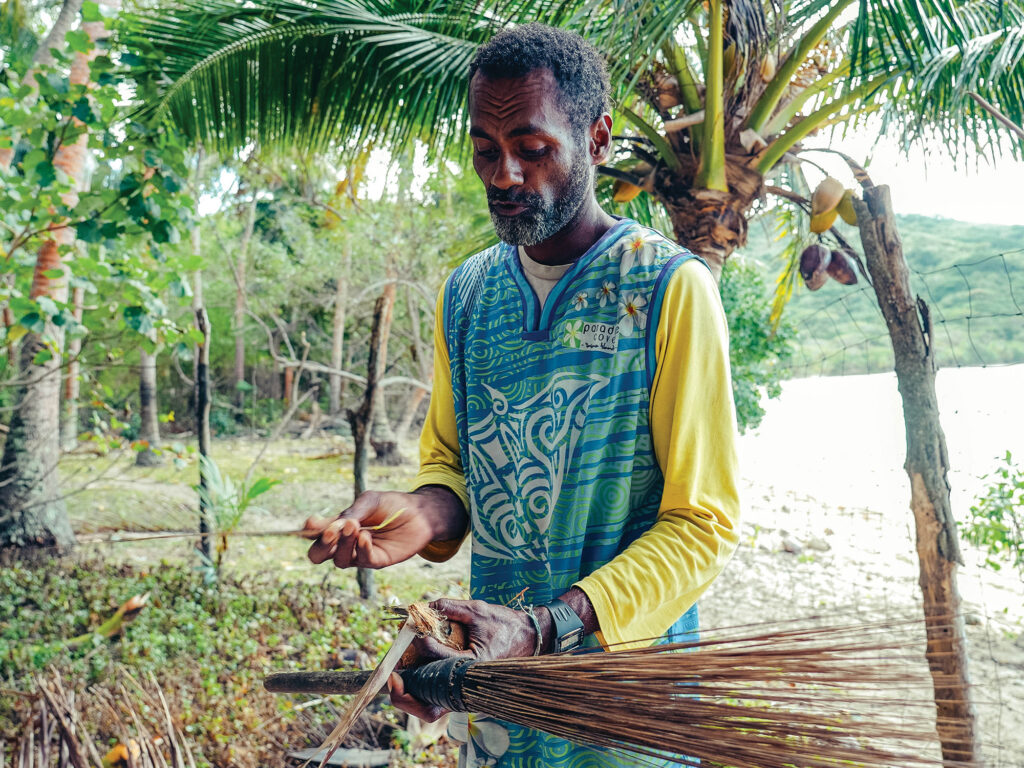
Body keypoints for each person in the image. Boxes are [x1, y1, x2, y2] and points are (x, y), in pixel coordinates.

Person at [304, 22, 741, 768]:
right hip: (500, 712)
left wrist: (544, 626)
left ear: (596, 138)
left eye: (533, 149)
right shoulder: (468, 295)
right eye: (485, 150)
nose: (504, 174)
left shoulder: (669, 288)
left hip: (626, 711)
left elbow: (702, 524)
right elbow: (452, 466)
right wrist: (418, 514)